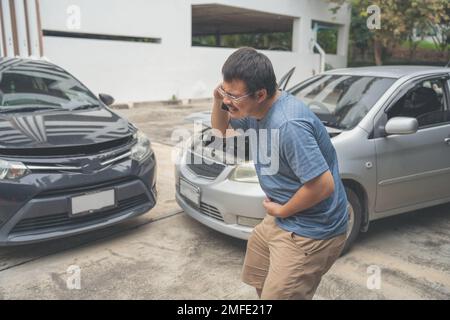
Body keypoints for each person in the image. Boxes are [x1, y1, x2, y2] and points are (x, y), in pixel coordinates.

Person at [211, 47, 348, 300]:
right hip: (280, 217)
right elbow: (220, 131)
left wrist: (282, 211)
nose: (227, 101)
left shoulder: (289, 125)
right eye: (225, 91)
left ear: (261, 94)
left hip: (310, 229)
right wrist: (218, 99)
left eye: (233, 95)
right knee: (258, 275)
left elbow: (323, 186)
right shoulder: (253, 109)